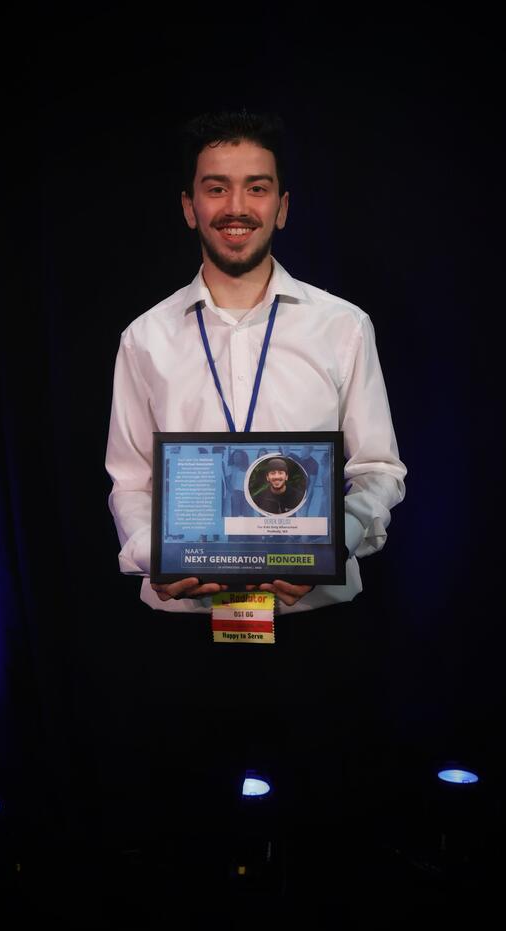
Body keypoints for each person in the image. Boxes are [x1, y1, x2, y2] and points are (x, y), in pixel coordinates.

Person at [105, 109, 406, 617]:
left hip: (320, 628)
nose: (237, 207)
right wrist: (152, 556)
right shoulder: (144, 338)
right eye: (217, 188)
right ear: (188, 206)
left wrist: (327, 552)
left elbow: (378, 470)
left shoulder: (343, 327)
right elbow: (133, 482)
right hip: (182, 637)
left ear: (282, 207)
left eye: (257, 188)